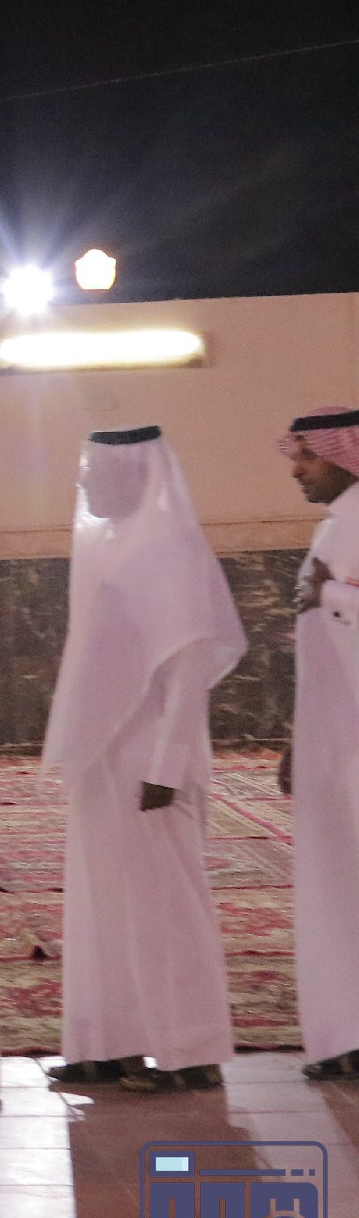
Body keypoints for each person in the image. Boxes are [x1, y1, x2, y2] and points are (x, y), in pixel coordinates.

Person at [43, 427, 244, 1092]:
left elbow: (190, 664)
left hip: (152, 748)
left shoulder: (170, 545)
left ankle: (192, 1052)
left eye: (95, 470)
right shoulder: (105, 542)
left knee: (164, 901)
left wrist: (168, 763)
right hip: (104, 746)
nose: (84, 481)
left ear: (133, 472)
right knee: (102, 897)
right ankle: (108, 1044)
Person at [277, 407, 359, 1082]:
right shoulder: (337, 523)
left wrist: (328, 591)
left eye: (308, 455)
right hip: (333, 733)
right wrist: (297, 739)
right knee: (337, 882)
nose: (298, 470)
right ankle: (347, 1032)